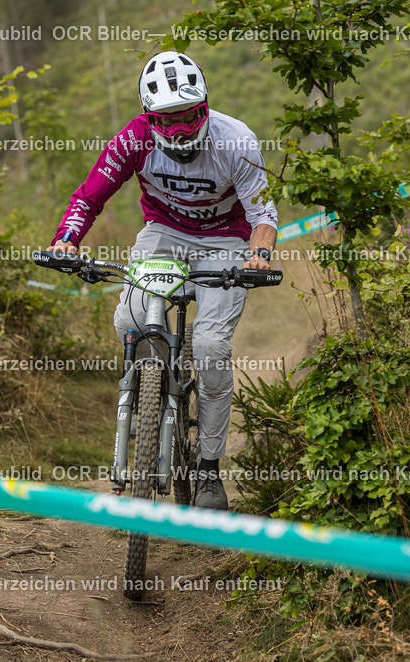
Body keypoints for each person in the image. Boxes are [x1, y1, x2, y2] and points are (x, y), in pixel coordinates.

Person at [49, 51, 277, 510]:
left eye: (188, 117)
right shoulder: (132, 139)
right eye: (166, 120)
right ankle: (150, 398)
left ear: (204, 107)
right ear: (149, 117)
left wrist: (260, 256)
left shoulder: (236, 140)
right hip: (165, 235)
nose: (179, 131)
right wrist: (66, 241)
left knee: (210, 347)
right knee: (128, 320)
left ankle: (208, 469)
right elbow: (89, 197)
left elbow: (263, 214)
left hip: (226, 240)